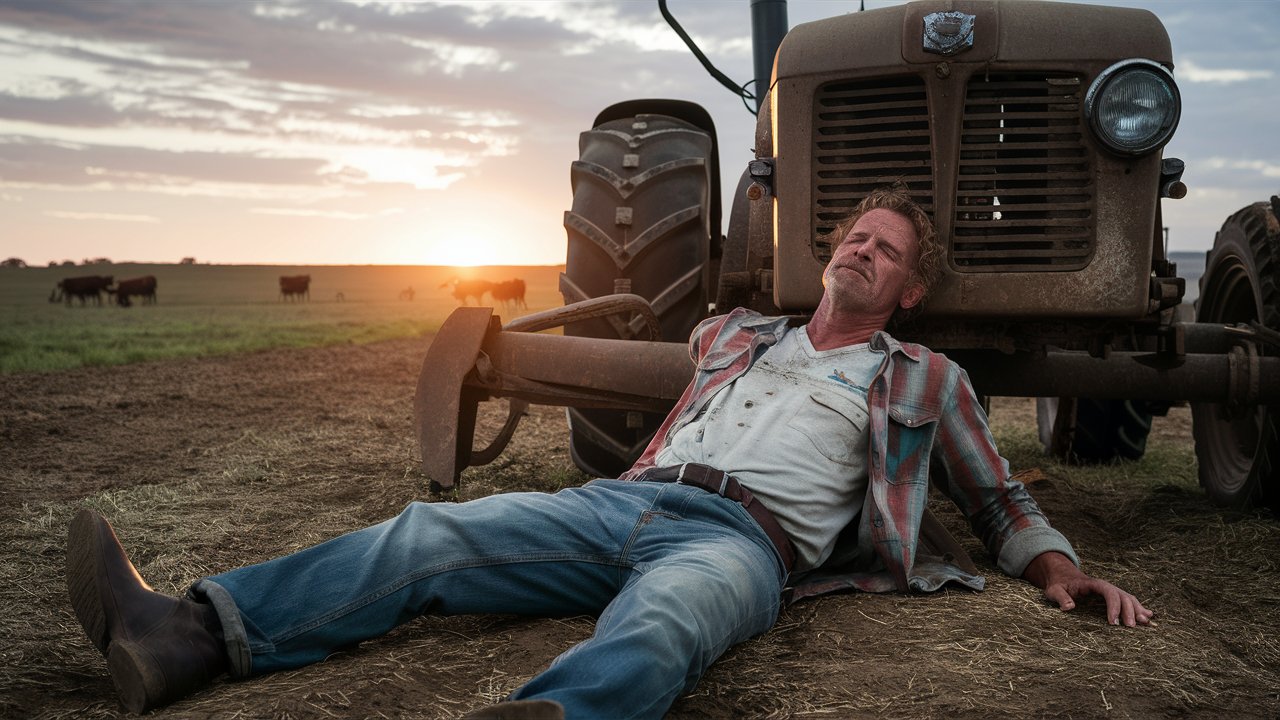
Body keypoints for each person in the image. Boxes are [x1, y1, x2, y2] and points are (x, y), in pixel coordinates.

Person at [66, 186, 1153, 719]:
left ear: (908, 291)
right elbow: (638, 330)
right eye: (851, 238)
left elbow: (998, 496)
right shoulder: (734, 334)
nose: (859, 253)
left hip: (743, 543)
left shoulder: (923, 378)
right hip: (617, 505)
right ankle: (183, 636)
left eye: (884, 252)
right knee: (430, 534)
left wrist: (1060, 568)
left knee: (669, 621)